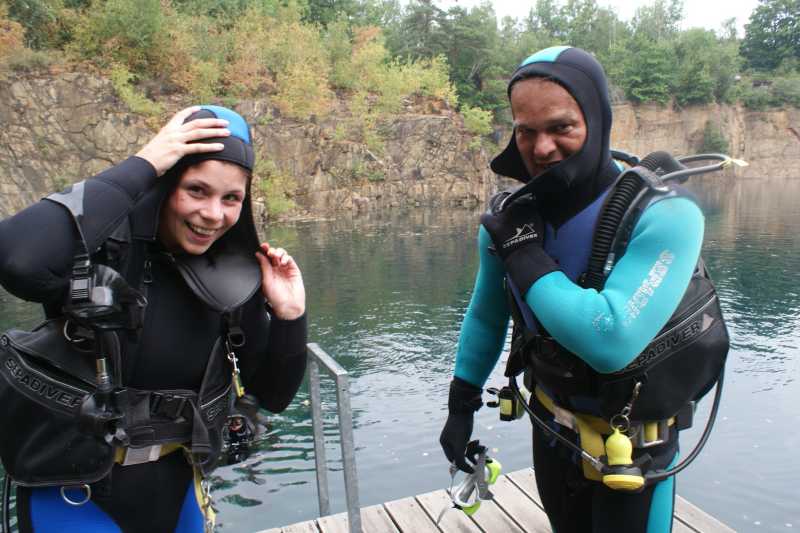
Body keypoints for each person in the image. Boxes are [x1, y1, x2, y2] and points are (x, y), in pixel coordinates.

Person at [439, 46, 722, 532]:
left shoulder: (667, 215)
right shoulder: (509, 221)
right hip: (552, 430)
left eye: (561, 127)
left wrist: (524, 254)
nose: (541, 147)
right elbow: (487, 314)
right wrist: (461, 403)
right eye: (525, 131)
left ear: (597, 119)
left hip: (635, 453)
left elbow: (610, 341)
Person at [0, 105, 308, 532]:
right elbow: (17, 259)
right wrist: (145, 163)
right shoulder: (100, 251)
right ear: (165, 181)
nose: (213, 214)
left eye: (231, 198)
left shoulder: (233, 278)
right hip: (72, 495)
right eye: (196, 190)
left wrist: (291, 317)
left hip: (177, 495)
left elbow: (274, 395)